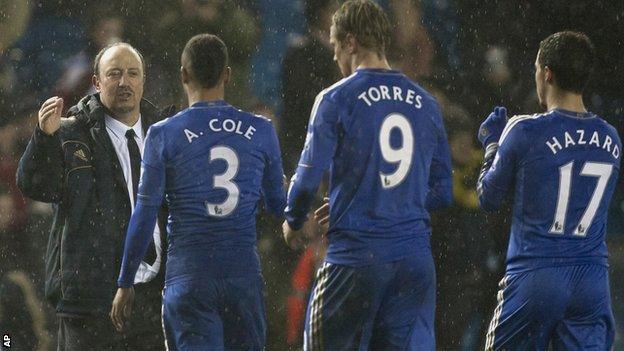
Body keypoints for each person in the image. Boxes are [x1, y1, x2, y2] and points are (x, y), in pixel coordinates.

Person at [282, 1, 453, 349]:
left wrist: (292, 221)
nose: (334, 59)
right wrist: (391, 202)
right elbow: (443, 191)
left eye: (334, 47)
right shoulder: (426, 103)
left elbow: (306, 180)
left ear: (350, 43)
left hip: (356, 259)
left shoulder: (336, 98)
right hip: (413, 262)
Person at [110, 34, 286, 351]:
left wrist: (125, 282)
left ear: (183, 75)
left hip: (190, 279)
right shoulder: (261, 130)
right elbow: (277, 206)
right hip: (242, 278)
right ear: (228, 75)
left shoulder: (163, 134)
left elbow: (145, 214)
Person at [16, 42, 171, 350]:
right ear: (97, 82)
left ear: (144, 80)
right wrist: (44, 139)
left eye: (132, 73)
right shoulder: (71, 132)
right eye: (114, 74)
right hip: (89, 304)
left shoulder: (165, 134)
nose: (124, 82)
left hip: (154, 300)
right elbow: (36, 187)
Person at [477, 31, 619, 350]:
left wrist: (491, 145)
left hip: (536, 276)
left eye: (536, 71)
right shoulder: (611, 139)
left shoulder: (525, 129)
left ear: (547, 74)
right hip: (592, 280)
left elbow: (488, 197)